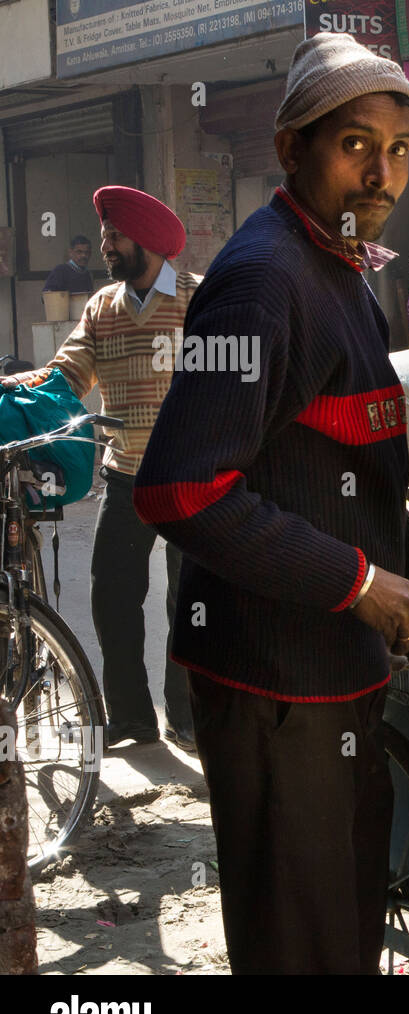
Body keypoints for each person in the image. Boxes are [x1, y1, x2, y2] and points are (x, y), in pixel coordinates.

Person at [133, 32, 409, 975]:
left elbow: (364, 480)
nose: (381, 173)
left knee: (342, 937)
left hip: (341, 677)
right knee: (299, 949)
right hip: (273, 685)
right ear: (292, 149)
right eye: (355, 145)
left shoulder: (349, 275)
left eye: (398, 150)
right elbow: (181, 489)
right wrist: (357, 583)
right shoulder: (264, 282)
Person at [3, 189, 197, 753]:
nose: (105, 246)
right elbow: (66, 375)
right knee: (112, 597)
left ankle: (184, 718)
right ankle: (133, 719)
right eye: (106, 236)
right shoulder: (102, 306)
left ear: (149, 242)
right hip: (126, 475)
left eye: (115, 237)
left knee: (188, 601)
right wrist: (14, 386)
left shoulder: (198, 300)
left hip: (189, 479)